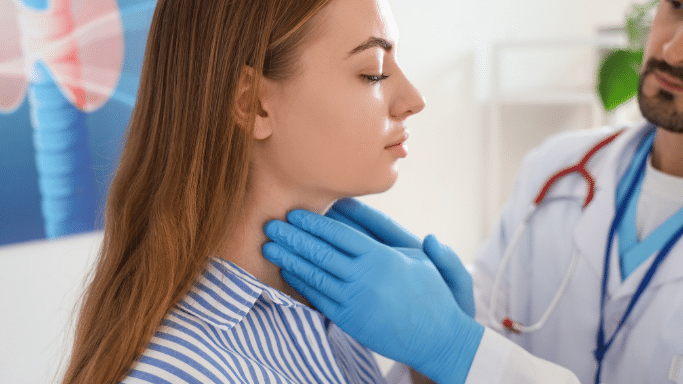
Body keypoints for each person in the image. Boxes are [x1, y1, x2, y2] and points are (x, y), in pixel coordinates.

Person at [262, 0, 683, 383]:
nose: (674, 50)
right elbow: (488, 326)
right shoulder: (559, 170)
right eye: (678, 7)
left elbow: (470, 351)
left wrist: (455, 347)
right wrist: (434, 355)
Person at [61, 0, 426, 382]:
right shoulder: (182, 373)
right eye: (374, 72)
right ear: (253, 105)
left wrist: (428, 369)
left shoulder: (327, 316)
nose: (413, 101)